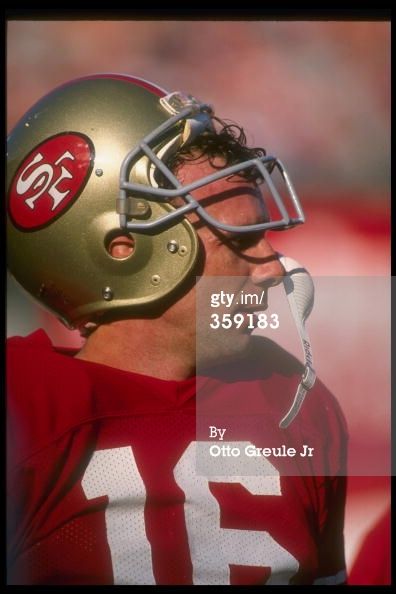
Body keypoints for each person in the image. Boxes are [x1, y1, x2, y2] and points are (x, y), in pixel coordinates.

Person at [6, 74, 347, 585]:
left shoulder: (292, 401)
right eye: (240, 238)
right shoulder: (24, 407)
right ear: (123, 248)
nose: (275, 268)